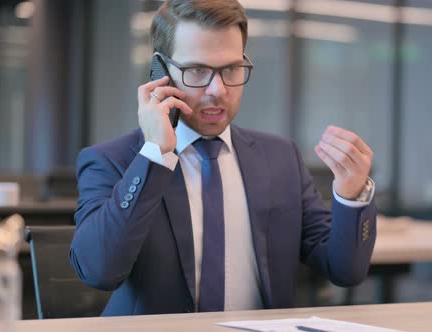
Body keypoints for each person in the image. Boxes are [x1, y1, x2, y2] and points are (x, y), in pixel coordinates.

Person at [69, 0, 377, 316]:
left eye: (230, 69)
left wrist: (352, 194)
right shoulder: (112, 161)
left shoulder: (280, 157)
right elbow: (99, 271)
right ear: (161, 72)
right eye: (197, 70)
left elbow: (345, 270)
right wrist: (155, 155)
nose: (217, 89)